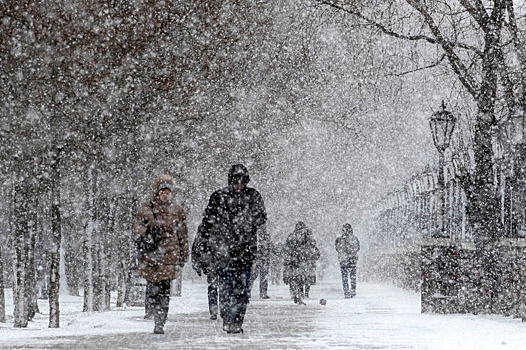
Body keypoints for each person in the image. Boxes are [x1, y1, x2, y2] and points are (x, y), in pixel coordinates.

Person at [197, 164, 267, 334]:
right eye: (236, 182)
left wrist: (246, 221)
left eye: (242, 182)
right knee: (227, 287)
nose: (238, 186)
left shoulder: (253, 196)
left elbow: (261, 217)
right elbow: (207, 222)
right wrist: (205, 245)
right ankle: (228, 319)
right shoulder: (219, 197)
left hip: (245, 252)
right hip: (224, 252)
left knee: (242, 290)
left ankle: (237, 321)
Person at [132, 174, 189, 334]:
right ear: (157, 192)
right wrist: (147, 232)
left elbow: (183, 234)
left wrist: (184, 254)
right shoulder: (147, 208)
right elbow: (136, 226)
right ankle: (152, 311)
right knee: (153, 287)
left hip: (170, 256)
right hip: (151, 256)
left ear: (172, 193)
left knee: (164, 290)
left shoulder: (177, 210)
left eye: (167, 192)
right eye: (162, 191)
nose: (164, 195)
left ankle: (160, 321)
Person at [283, 222, 320, 304]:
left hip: (298, 260)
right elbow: (313, 248)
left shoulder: (292, 237)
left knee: (298, 277)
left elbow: (287, 248)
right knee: (305, 277)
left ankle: (300, 292)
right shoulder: (308, 237)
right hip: (304, 260)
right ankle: (304, 292)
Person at [191, 223, 219, 320]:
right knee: (221, 286)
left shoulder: (204, 227)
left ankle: (214, 309)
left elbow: (196, 246)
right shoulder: (226, 224)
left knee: (213, 286)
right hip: (219, 260)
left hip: (211, 260)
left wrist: (197, 263)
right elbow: (197, 246)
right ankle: (219, 309)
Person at [335, 223, 360, 298]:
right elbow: (358, 248)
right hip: (352, 259)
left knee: (344, 277)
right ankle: (352, 290)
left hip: (343, 260)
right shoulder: (354, 238)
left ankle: (346, 292)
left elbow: (337, 248)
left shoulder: (339, 239)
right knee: (352, 276)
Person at [249, 224, 271, 299]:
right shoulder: (262, 237)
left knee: (256, 276)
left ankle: (260, 293)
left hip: (259, 259)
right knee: (257, 276)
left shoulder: (262, 237)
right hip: (260, 259)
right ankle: (262, 293)